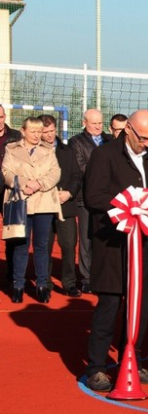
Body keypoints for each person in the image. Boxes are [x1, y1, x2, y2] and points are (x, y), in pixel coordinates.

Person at [83, 109, 148, 392]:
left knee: (140, 307)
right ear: (128, 129)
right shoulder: (104, 155)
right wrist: (128, 207)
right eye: (143, 137)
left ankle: (131, 360)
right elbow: (93, 196)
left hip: (144, 244)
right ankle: (95, 367)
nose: (147, 143)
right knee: (109, 305)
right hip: (113, 244)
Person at [2, 117, 61, 303]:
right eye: (33, 131)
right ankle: (18, 284)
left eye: (39, 131)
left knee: (42, 246)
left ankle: (42, 285)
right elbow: (6, 172)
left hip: (43, 202)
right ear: (23, 131)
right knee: (21, 245)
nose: (37, 135)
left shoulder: (48, 151)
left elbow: (55, 172)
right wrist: (24, 184)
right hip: (21, 202)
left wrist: (39, 184)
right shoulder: (11, 150)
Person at [69, 108, 112, 294]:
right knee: (86, 239)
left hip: (108, 198)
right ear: (85, 122)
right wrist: (105, 174)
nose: (97, 127)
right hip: (85, 198)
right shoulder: (76, 142)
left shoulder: (110, 140)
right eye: (94, 123)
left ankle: (104, 275)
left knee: (105, 237)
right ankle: (87, 277)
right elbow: (80, 168)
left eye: (100, 123)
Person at [41, 114, 82, 298]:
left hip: (66, 206)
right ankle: (45, 282)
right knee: (45, 245)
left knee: (68, 245)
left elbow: (76, 176)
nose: (50, 135)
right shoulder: (35, 152)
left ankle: (69, 283)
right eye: (45, 132)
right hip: (43, 206)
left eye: (52, 131)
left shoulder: (68, 151)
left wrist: (69, 193)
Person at [0, 105, 22, 285]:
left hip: (9, 191)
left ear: (4, 116)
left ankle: (13, 272)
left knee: (12, 233)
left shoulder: (16, 136)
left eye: (0, 117)